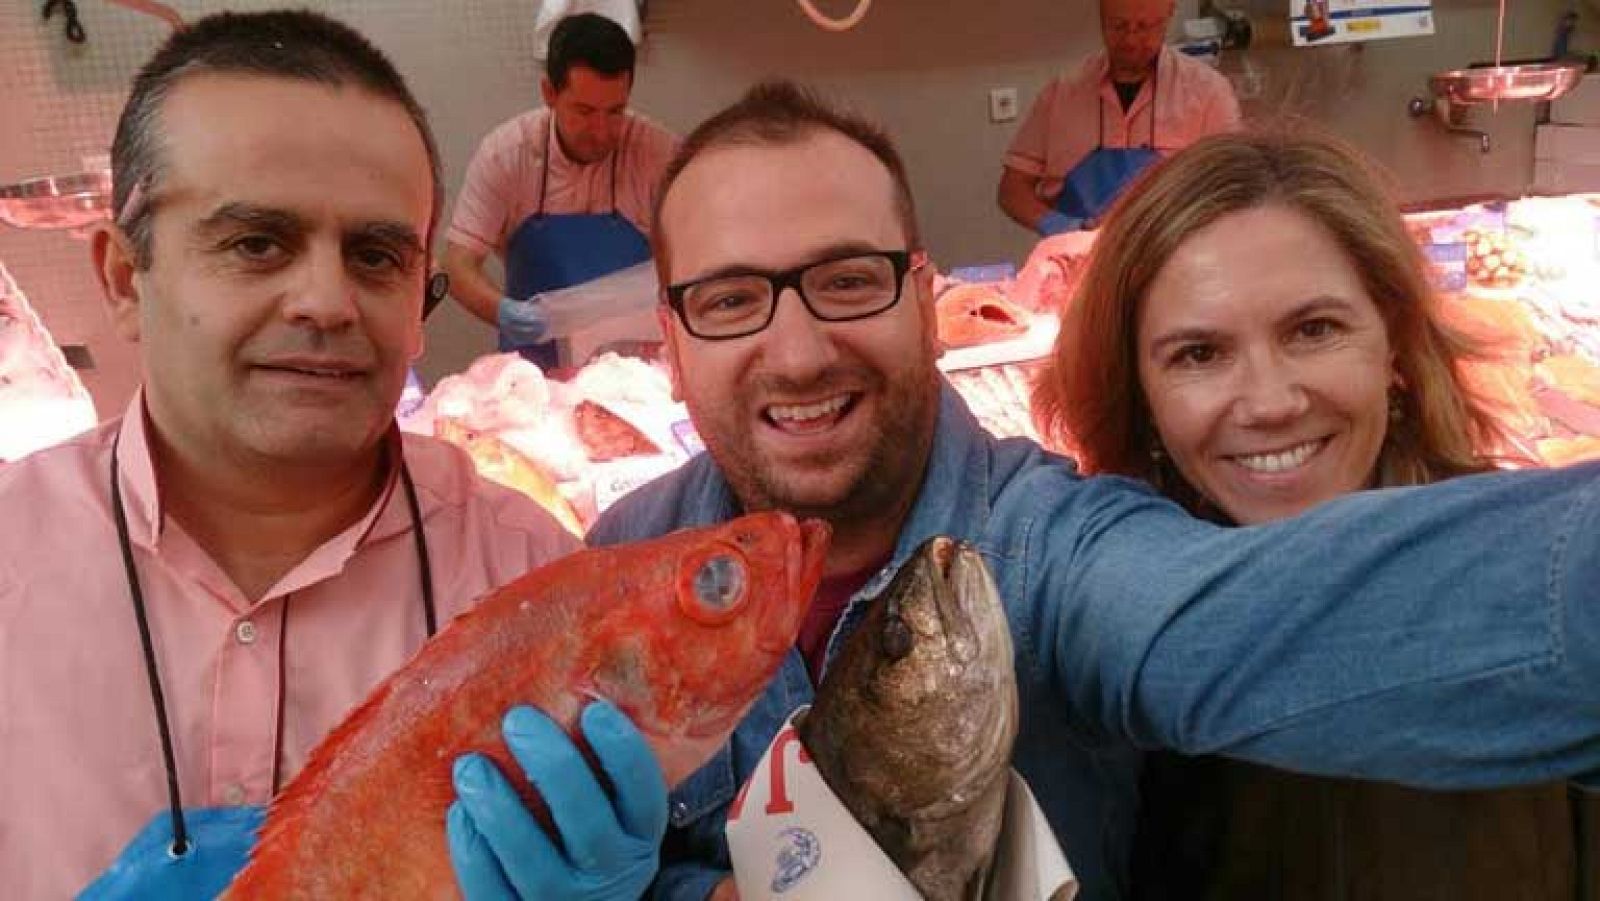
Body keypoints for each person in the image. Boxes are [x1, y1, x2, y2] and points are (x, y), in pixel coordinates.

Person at [583, 80, 1600, 901]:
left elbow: (1243, 623)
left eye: (848, 279)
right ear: (669, 343)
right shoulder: (622, 552)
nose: (800, 351)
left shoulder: (1054, 548)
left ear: (927, 304)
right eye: (730, 299)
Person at [0, 11, 664, 899]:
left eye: (376, 255)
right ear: (125, 279)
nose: (326, 301)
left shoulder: (533, 584)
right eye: (257, 243)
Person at [1034, 129, 1583, 900]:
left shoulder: (1529, 581)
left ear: (1394, 344)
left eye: (1314, 329)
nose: (1269, 402)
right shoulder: (1108, 639)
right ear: (1140, 395)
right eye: (1199, 353)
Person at [442, 12, 679, 370]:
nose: (601, 132)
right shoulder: (506, 155)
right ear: (549, 93)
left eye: (615, 111)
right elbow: (457, 265)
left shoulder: (659, 154)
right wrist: (504, 312)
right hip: (535, 365)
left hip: (638, 369)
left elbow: (702, 254)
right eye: (584, 111)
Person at [997, 0, 1240, 237]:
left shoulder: (1209, 94)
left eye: (1144, 26)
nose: (1131, 40)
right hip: (1077, 254)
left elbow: (1236, 191)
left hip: (1170, 254)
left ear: (1169, 14)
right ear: (1101, 15)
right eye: (1118, 25)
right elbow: (1012, 188)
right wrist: (1057, 225)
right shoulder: (1062, 93)